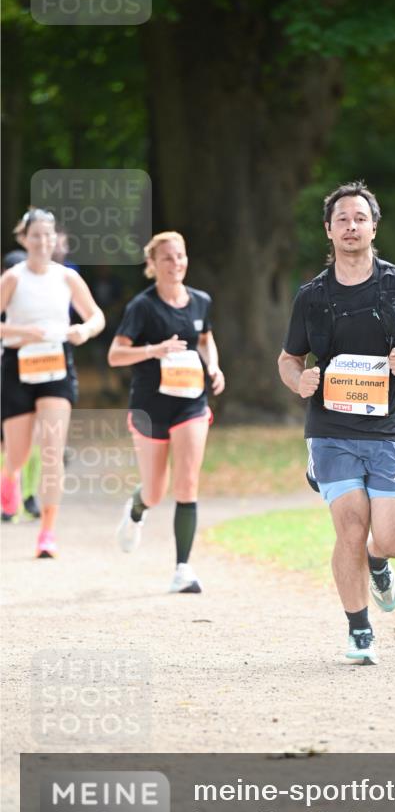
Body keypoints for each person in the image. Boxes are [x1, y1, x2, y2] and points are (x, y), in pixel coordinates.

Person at [278, 181, 395, 664]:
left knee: (393, 538)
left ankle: (378, 563)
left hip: (389, 427)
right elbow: (288, 357)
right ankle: (359, 630)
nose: (352, 226)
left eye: (360, 218)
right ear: (328, 230)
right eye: (342, 219)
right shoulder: (311, 296)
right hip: (330, 428)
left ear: (374, 226)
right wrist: (298, 381)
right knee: (350, 525)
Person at [108, 231, 225, 594]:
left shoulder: (200, 301)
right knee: (156, 491)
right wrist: (153, 350)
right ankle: (137, 508)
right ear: (153, 264)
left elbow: (204, 339)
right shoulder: (142, 307)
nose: (176, 263)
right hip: (150, 406)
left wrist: (215, 367)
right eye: (168, 258)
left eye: (180, 256)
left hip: (191, 401)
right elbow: (114, 355)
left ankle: (183, 569)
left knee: (187, 482)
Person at [0, 208, 105, 556]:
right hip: (18, 365)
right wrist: (21, 332)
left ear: (55, 239)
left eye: (48, 235)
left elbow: (96, 316)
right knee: (16, 453)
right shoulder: (12, 278)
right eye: (36, 235)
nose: (43, 241)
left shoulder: (66, 278)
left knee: (51, 450)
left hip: (57, 364)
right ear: (23, 239)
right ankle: (11, 477)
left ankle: (47, 532)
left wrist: (84, 331)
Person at [1, 248, 41, 521]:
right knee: (8, 443)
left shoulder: (34, 307)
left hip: (30, 378)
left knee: (33, 438)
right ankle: (10, 494)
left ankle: (28, 494)